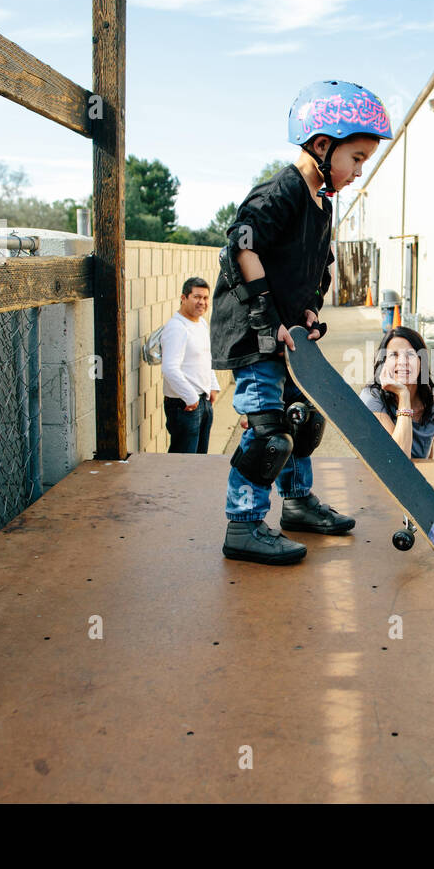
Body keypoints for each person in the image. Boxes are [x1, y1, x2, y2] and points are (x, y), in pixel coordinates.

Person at [212, 80, 392, 565]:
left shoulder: (322, 204)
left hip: (290, 338)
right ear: (321, 145)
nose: (359, 171)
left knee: (302, 422)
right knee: (269, 433)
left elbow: (317, 266)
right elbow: (241, 245)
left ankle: (297, 504)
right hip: (257, 335)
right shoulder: (281, 191)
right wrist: (268, 315)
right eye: (356, 158)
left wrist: (311, 307)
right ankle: (243, 525)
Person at [362, 326, 434, 459]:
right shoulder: (372, 398)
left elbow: (428, 453)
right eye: (394, 355)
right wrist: (404, 396)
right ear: (384, 362)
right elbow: (399, 459)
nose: (402, 362)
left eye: (410, 354)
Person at [161, 277, 221, 453]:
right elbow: (169, 368)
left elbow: (205, 357)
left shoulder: (201, 323)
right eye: (196, 297)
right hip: (184, 405)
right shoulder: (177, 328)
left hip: (203, 402)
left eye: (205, 298)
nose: (201, 302)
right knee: (182, 465)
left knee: (199, 463)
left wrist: (213, 386)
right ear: (183, 298)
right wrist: (191, 398)